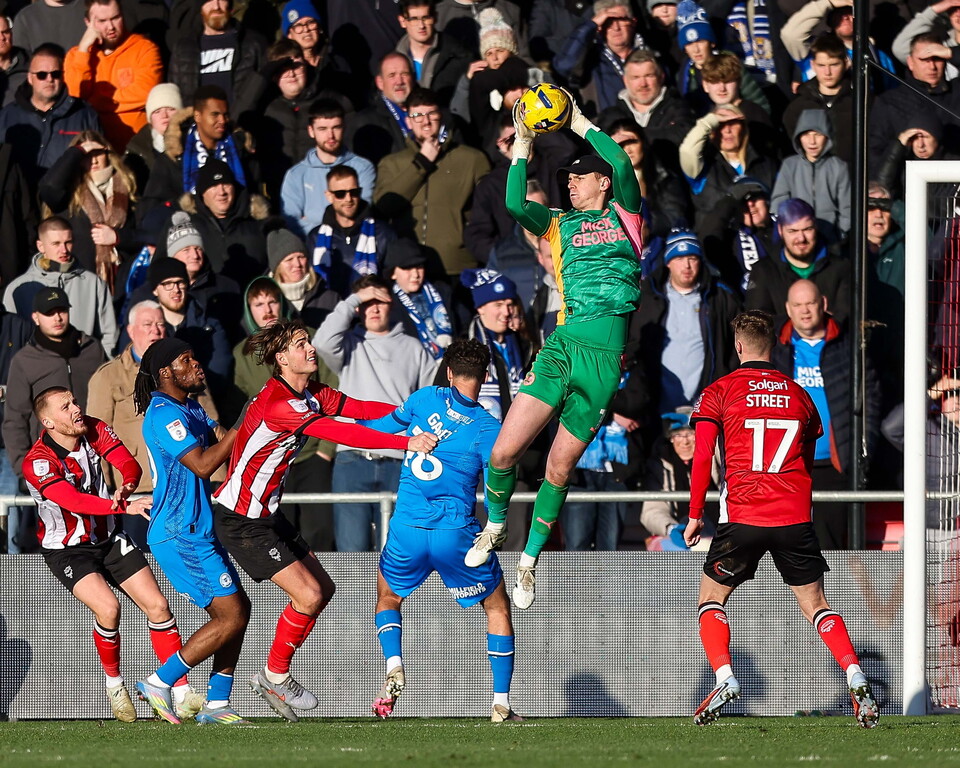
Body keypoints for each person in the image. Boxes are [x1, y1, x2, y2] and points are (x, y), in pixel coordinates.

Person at [466, 91, 642, 608]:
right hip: (564, 345)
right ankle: (495, 527)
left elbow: (622, 160)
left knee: (560, 470)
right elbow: (517, 203)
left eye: (579, 176)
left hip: (605, 360)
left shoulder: (626, 214)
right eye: (566, 176)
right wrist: (522, 144)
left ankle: (528, 562)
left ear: (603, 182)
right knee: (503, 451)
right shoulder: (559, 224)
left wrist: (581, 121)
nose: (569, 181)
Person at [212, 319, 438, 721]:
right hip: (240, 518)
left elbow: (360, 410)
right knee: (309, 595)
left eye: (308, 342)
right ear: (281, 359)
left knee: (324, 588)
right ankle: (271, 676)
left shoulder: (310, 392)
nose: (310, 349)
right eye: (301, 345)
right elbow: (345, 433)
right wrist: (408, 441)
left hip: (266, 515)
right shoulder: (281, 403)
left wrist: (411, 414)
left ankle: (272, 675)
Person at [683, 310, 879, 728]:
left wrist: (695, 514)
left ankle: (724, 677)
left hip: (743, 516)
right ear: (774, 344)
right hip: (794, 517)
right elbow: (808, 458)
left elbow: (702, 458)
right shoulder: (800, 394)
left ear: (738, 346)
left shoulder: (719, 391)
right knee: (817, 606)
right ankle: (854, 673)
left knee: (710, 600)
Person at [359, 338, 521, 722]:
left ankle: (393, 665)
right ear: (484, 377)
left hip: (407, 528)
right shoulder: (488, 428)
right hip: (456, 534)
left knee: (388, 597)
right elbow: (498, 483)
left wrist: (345, 427)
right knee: (496, 606)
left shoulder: (424, 399)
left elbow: (379, 429)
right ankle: (500, 703)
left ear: (448, 372)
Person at [23, 386, 200, 723]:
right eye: (66, 407)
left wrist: (129, 485)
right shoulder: (38, 462)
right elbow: (73, 502)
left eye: (75, 401)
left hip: (109, 538)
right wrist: (121, 506)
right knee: (109, 608)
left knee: (159, 606)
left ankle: (178, 690)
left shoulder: (93, 427)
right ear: (48, 422)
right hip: (69, 550)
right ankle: (115, 684)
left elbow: (128, 464)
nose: (76, 409)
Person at [134, 338, 251, 725]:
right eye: (188, 359)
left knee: (238, 610)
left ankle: (217, 705)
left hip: (197, 529)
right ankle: (159, 681)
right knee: (230, 614)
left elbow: (224, 442)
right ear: (166, 372)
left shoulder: (191, 408)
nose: (197, 363)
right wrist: (244, 421)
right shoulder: (163, 415)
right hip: (178, 532)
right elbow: (203, 464)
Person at [313, 275, 438, 551]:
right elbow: (321, 342)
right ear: (357, 308)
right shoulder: (348, 345)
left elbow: (430, 401)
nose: (374, 308)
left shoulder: (414, 348)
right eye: (367, 303)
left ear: (391, 304)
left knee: (398, 551)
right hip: (351, 461)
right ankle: (355, 598)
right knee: (351, 552)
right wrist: (357, 297)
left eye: (380, 301)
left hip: (400, 461)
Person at [770, 279, 880, 549]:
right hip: (788, 465)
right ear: (788, 308)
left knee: (831, 546)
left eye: (810, 303)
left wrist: (861, 452)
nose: (805, 311)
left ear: (824, 304)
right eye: (798, 305)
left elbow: (871, 400)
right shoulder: (776, 349)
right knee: (789, 543)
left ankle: (832, 593)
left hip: (835, 464)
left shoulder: (848, 345)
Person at [375, 86, 490, 277]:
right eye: (418, 115)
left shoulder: (472, 159)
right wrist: (422, 163)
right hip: (409, 270)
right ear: (408, 122)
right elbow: (385, 206)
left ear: (441, 116)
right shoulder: (392, 163)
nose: (426, 122)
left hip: (458, 265)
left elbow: (488, 210)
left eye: (431, 114)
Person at [38, 131, 140, 290]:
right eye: (86, 155)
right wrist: (77, 151)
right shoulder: (69, 192)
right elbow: (49, 188)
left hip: (122, 282)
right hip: (79, 283)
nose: (93, 159)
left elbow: (142, 234)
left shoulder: (127, 187)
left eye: (97, 153)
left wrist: (117, 237)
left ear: (107, 153)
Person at [3, 216, 118, 355]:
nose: (64, 250)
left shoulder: (93, 283)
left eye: (68, 242)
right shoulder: (17, 289)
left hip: (85, 369)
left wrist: (99, 366)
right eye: (56, 244)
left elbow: (109, 334)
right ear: (40, 246)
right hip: (37, 371)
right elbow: (9, 337)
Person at [64, 0, 163, 151]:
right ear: (88, 23)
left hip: (136, 148)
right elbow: (75, 96)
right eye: (102, 21)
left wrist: (94, 101)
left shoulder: (144, 49)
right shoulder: (76, 55)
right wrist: (83, 49)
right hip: (94, 151)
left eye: (115, 18)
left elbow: (146, 93)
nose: (110, 27)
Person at [0, 44, 100, 193]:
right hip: (20, 203)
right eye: (42, 75)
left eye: (56, 74)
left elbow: (99, 162)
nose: (49, 79)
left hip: (68, 202)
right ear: (30, 78)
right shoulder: (7, 116)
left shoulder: (85, 115)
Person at [744, 198, 851, 325]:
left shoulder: (840, 268)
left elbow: (846, 318)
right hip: (780, 343)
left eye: (807, 229)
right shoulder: (764, 271)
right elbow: (757, 323)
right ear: (780, 230)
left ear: (815, 227)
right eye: (793, 231)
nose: (801, 238)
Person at [280, 98, 376, 239]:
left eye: (336, 127)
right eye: (322, 129)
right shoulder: (296, 174)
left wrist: (311, 220)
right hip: (311, 249)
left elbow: (360, 214)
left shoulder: (363, 168)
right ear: (311, 131)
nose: (330, 136)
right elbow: (291, 222)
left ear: (343, 128)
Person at [310, 165, 393, 299]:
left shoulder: (383, 233)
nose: (348, 199)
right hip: (330, 313)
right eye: (340, 194)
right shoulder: (315, 237)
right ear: (329, 196)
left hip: (371, 311)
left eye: (354, 192)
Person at [770, 110, 851, 244]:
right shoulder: (790, 165)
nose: (812, 141)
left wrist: (842, 234)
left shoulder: (839, 167)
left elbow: (847, 207)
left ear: (827, 137)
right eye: (806, 135)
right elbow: (779, 202)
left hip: (829, 237)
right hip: (797, 237)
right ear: (799, 137)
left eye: (817, 134)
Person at [553, 0, 645, 115]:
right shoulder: (591, 58)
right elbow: (563, 65)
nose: (616, 28)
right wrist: (590, 25)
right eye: (608, 22)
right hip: (605, 129)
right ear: (600, 27)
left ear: (633, 22)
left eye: (620, 20)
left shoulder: (652, 52)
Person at [168, 0, 267, 105]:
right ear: (200, 7)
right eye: (210, 0)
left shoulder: (253, 43)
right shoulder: (183, 48)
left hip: (242, 120)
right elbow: (174, 93)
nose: (216, 6)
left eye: (221, 0)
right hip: (196, 120)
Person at [395, 0, 472, 107]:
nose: (421, 25)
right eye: (414, 19)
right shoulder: (393, 62)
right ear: (402, 21)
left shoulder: (458, 57)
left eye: (426, 18)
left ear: (435, 17)